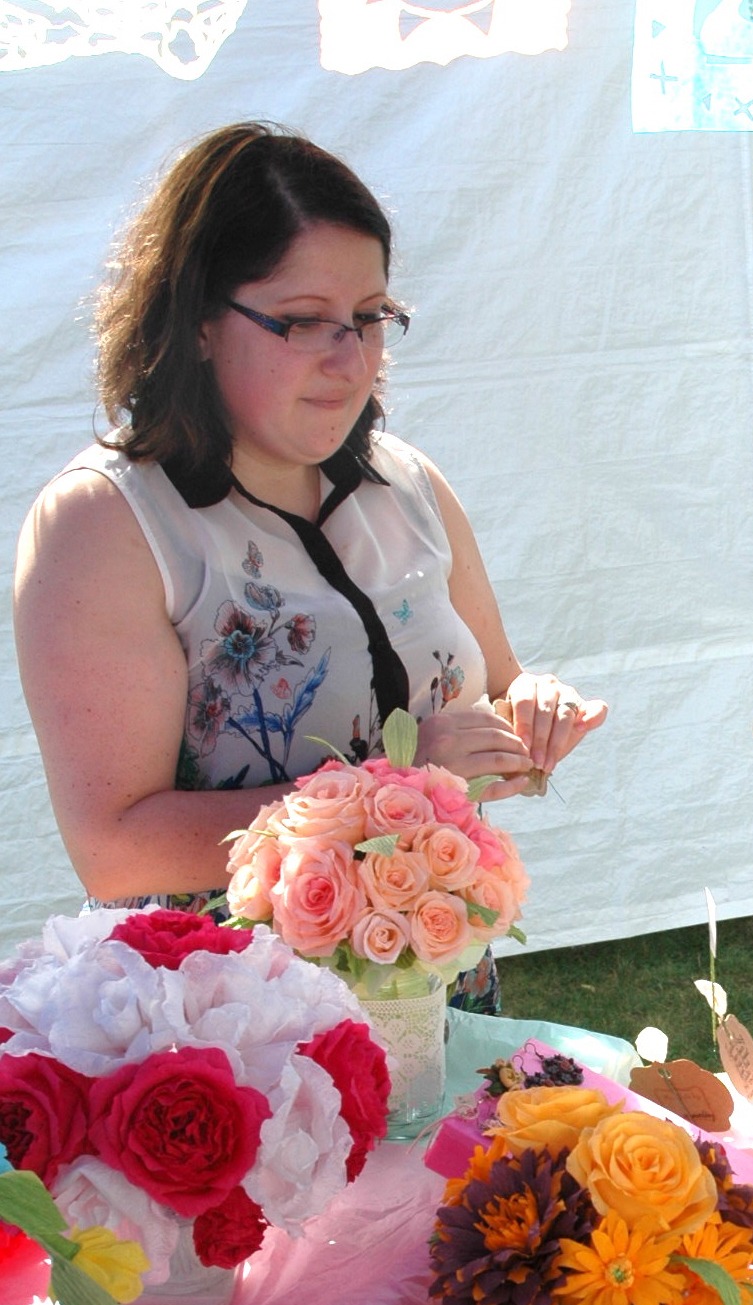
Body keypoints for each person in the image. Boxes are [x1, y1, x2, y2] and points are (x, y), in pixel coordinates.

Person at [14, 123, 605, 1002]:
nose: (351, 359)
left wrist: (530, 715)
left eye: (370, 318)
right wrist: (395, 790)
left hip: (432, 987)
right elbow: (115, 846)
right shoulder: (109, 521)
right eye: (303, 322)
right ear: (201, 321)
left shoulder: (406, 484)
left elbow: (491, 686)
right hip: (227, 1023)